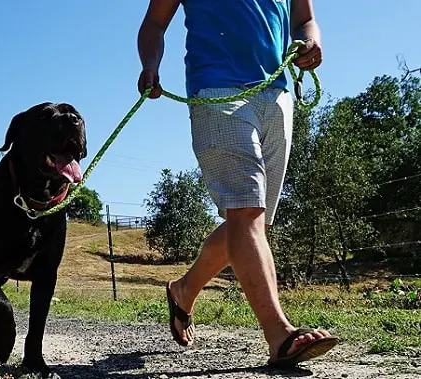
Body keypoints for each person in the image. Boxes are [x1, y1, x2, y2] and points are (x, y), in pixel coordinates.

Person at [136, 0, 339, 367]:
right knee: (246, 212)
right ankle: (279, 336)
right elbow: (154, 23)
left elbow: (305, 19)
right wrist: (150, 65)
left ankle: (183, 291)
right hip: (216, 91)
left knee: (251, 222)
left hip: (276, 95)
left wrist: (311, 42)